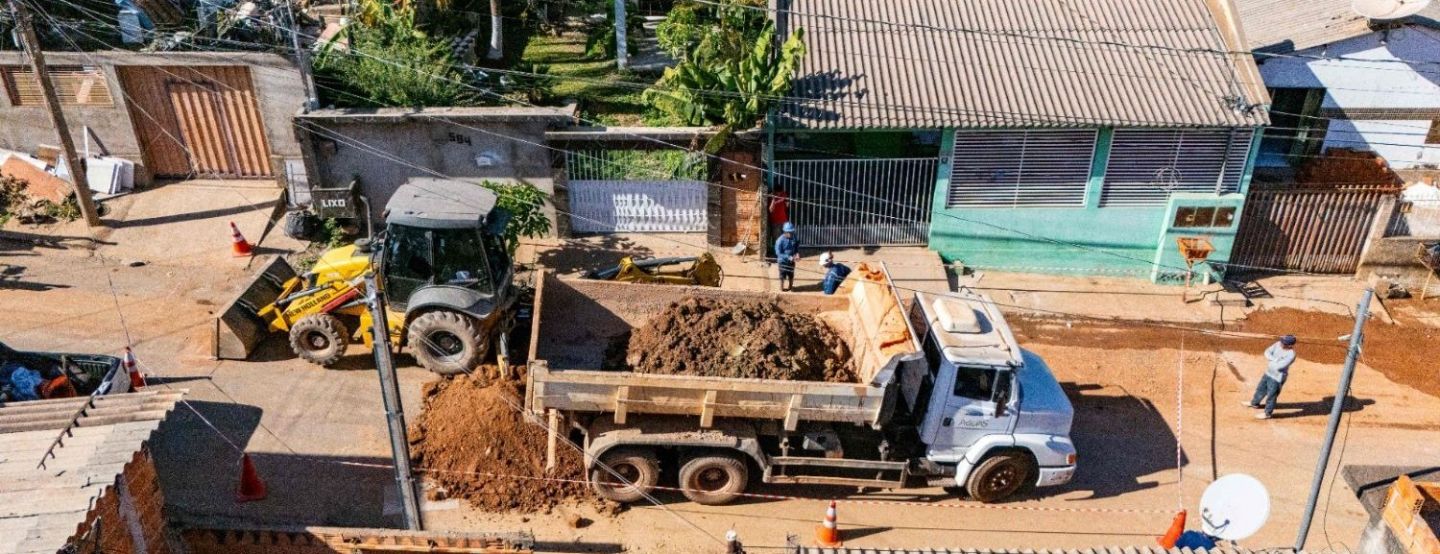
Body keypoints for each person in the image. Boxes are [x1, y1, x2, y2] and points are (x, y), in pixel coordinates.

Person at [1242, 334, 1297, 419]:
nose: (1281, 343)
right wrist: (1275, 359)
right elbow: (1267, 352)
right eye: (1282, 341)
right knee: (1260, 389)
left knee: (1272, 395)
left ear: (1290, 345)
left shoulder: (1291, 354)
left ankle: (1267, 413)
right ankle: (1254, 403)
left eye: (1283, 343)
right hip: (1268, 372)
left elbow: (1280, 366)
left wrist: (1271, 360)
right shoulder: (1278, 344)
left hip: (1277, 378)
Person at [774, 222, 799, 291]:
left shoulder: (794, 237)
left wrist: (797, 254)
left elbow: (796, 247)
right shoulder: (780, 241)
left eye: (792, 232)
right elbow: (778, 253)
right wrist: (788, 257)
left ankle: (790, 287)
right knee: (782, 276)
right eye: (789, 232)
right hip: (782, 262)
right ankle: (781, 289)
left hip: (791, 261)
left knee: (791, 274)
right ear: (785, 232)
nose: (791, 234)